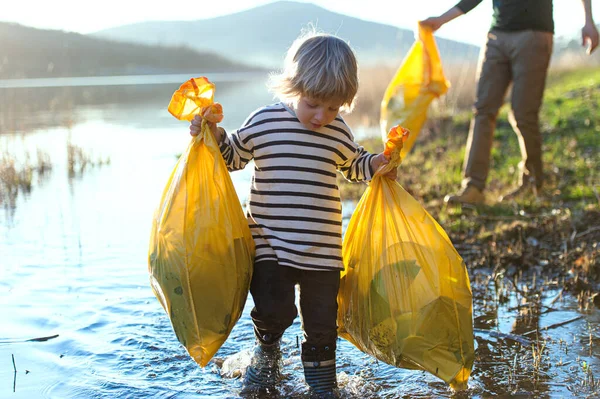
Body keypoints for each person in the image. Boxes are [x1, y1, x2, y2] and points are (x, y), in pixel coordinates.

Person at [189, 30, 397, 396]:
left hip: (322, 251)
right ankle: (267, 355)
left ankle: (321, 384)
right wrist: (212, 133)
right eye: (314, 103)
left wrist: (380, 162)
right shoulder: (265, 122)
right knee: (274, 309)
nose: (321, 116)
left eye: (333, 108)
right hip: (269, 243)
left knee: (322, 322)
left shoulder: (337, 131)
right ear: (294, 87)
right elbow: (233, 157)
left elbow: (355, 166)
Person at [420, 0, 599, 204]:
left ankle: (532, 182)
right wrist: (442, 19)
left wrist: (588, 21)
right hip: (497, 36)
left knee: (523, 113)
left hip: (533, 35)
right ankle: (473, 187)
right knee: (483, 110)